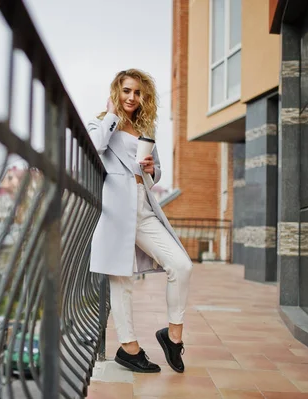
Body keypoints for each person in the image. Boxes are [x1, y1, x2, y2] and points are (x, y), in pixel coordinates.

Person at [87, 69, 193, 373]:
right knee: (122, 282)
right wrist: (110, 115)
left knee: (181, 265)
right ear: (116, 93)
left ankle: (173, 337)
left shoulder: (143, 128)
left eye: (137, 93)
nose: (132, 97)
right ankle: (129, 348)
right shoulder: (101, 121)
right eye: (126, 91)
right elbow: (95, 147)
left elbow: (155, 170)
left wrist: (150, 168)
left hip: (143, 204)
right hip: (114, 209)